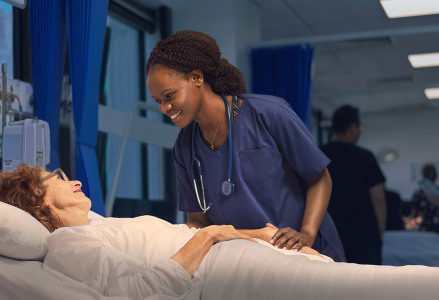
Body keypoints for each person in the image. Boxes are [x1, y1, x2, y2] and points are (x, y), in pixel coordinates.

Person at [0, 165, 439, 300]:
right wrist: (214, 236)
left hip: (235, 258)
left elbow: (173, 239)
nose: (74, 179)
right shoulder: (69, 244)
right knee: (378, 288)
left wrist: (251, 235)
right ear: (39, 200)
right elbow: (151, 289)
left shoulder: (96, 226)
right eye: (57, 177)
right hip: (223, 272)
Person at [146, 30, 345, 262]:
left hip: (306, 252)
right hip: (248, 263)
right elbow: (200, 222)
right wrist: (158, 235)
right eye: (158, 101)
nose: (164, 108)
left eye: (169, 96)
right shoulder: (184, 148)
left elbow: (320, 178)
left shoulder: (269, 114)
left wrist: (307, 234)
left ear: (197, 78)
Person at [320, 105, 386, 265]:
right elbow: (378, 197)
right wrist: (380, 235)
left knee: (331, 287)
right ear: (353, 128)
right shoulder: (365, 157)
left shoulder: (318, 155)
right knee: (368, 287)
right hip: (364, 239)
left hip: (328, 237)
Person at [408, 164, 439, 232]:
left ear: (423, 175)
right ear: (435, 176)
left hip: (426, 230)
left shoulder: (419, 193)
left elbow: (413, 214)